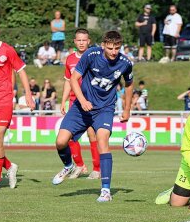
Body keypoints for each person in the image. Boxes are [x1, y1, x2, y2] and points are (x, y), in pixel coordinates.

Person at [52, 30, 134, 203]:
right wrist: (81, 101)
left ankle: (105, 191)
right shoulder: (91, 54)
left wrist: (127, 109)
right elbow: (74, 79)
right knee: (60, 142)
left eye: (117, 48)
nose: (113, 52)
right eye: (110, 48)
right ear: (103, 45)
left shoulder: (125, 63)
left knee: (102, 140)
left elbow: (129, 84)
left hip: (104, 108)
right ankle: (69, 166)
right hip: (81, 107)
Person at [0, 15, 35, 191]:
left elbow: (22, 71)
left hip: (3, 102)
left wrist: (28, 94)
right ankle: (10, 166)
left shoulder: (8, 50)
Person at [60, 28, 101, 180]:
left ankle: (97, 169)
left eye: (84, 40)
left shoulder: (95, 57)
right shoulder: (70, 59)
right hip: (74, 102)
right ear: (75, 41)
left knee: (92, 134)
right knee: (70, 137)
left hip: (90, 101)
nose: (82, 42)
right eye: (79, 40)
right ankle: (79, 166)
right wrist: (63, 100)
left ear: (88, 41)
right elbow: (67, 81)